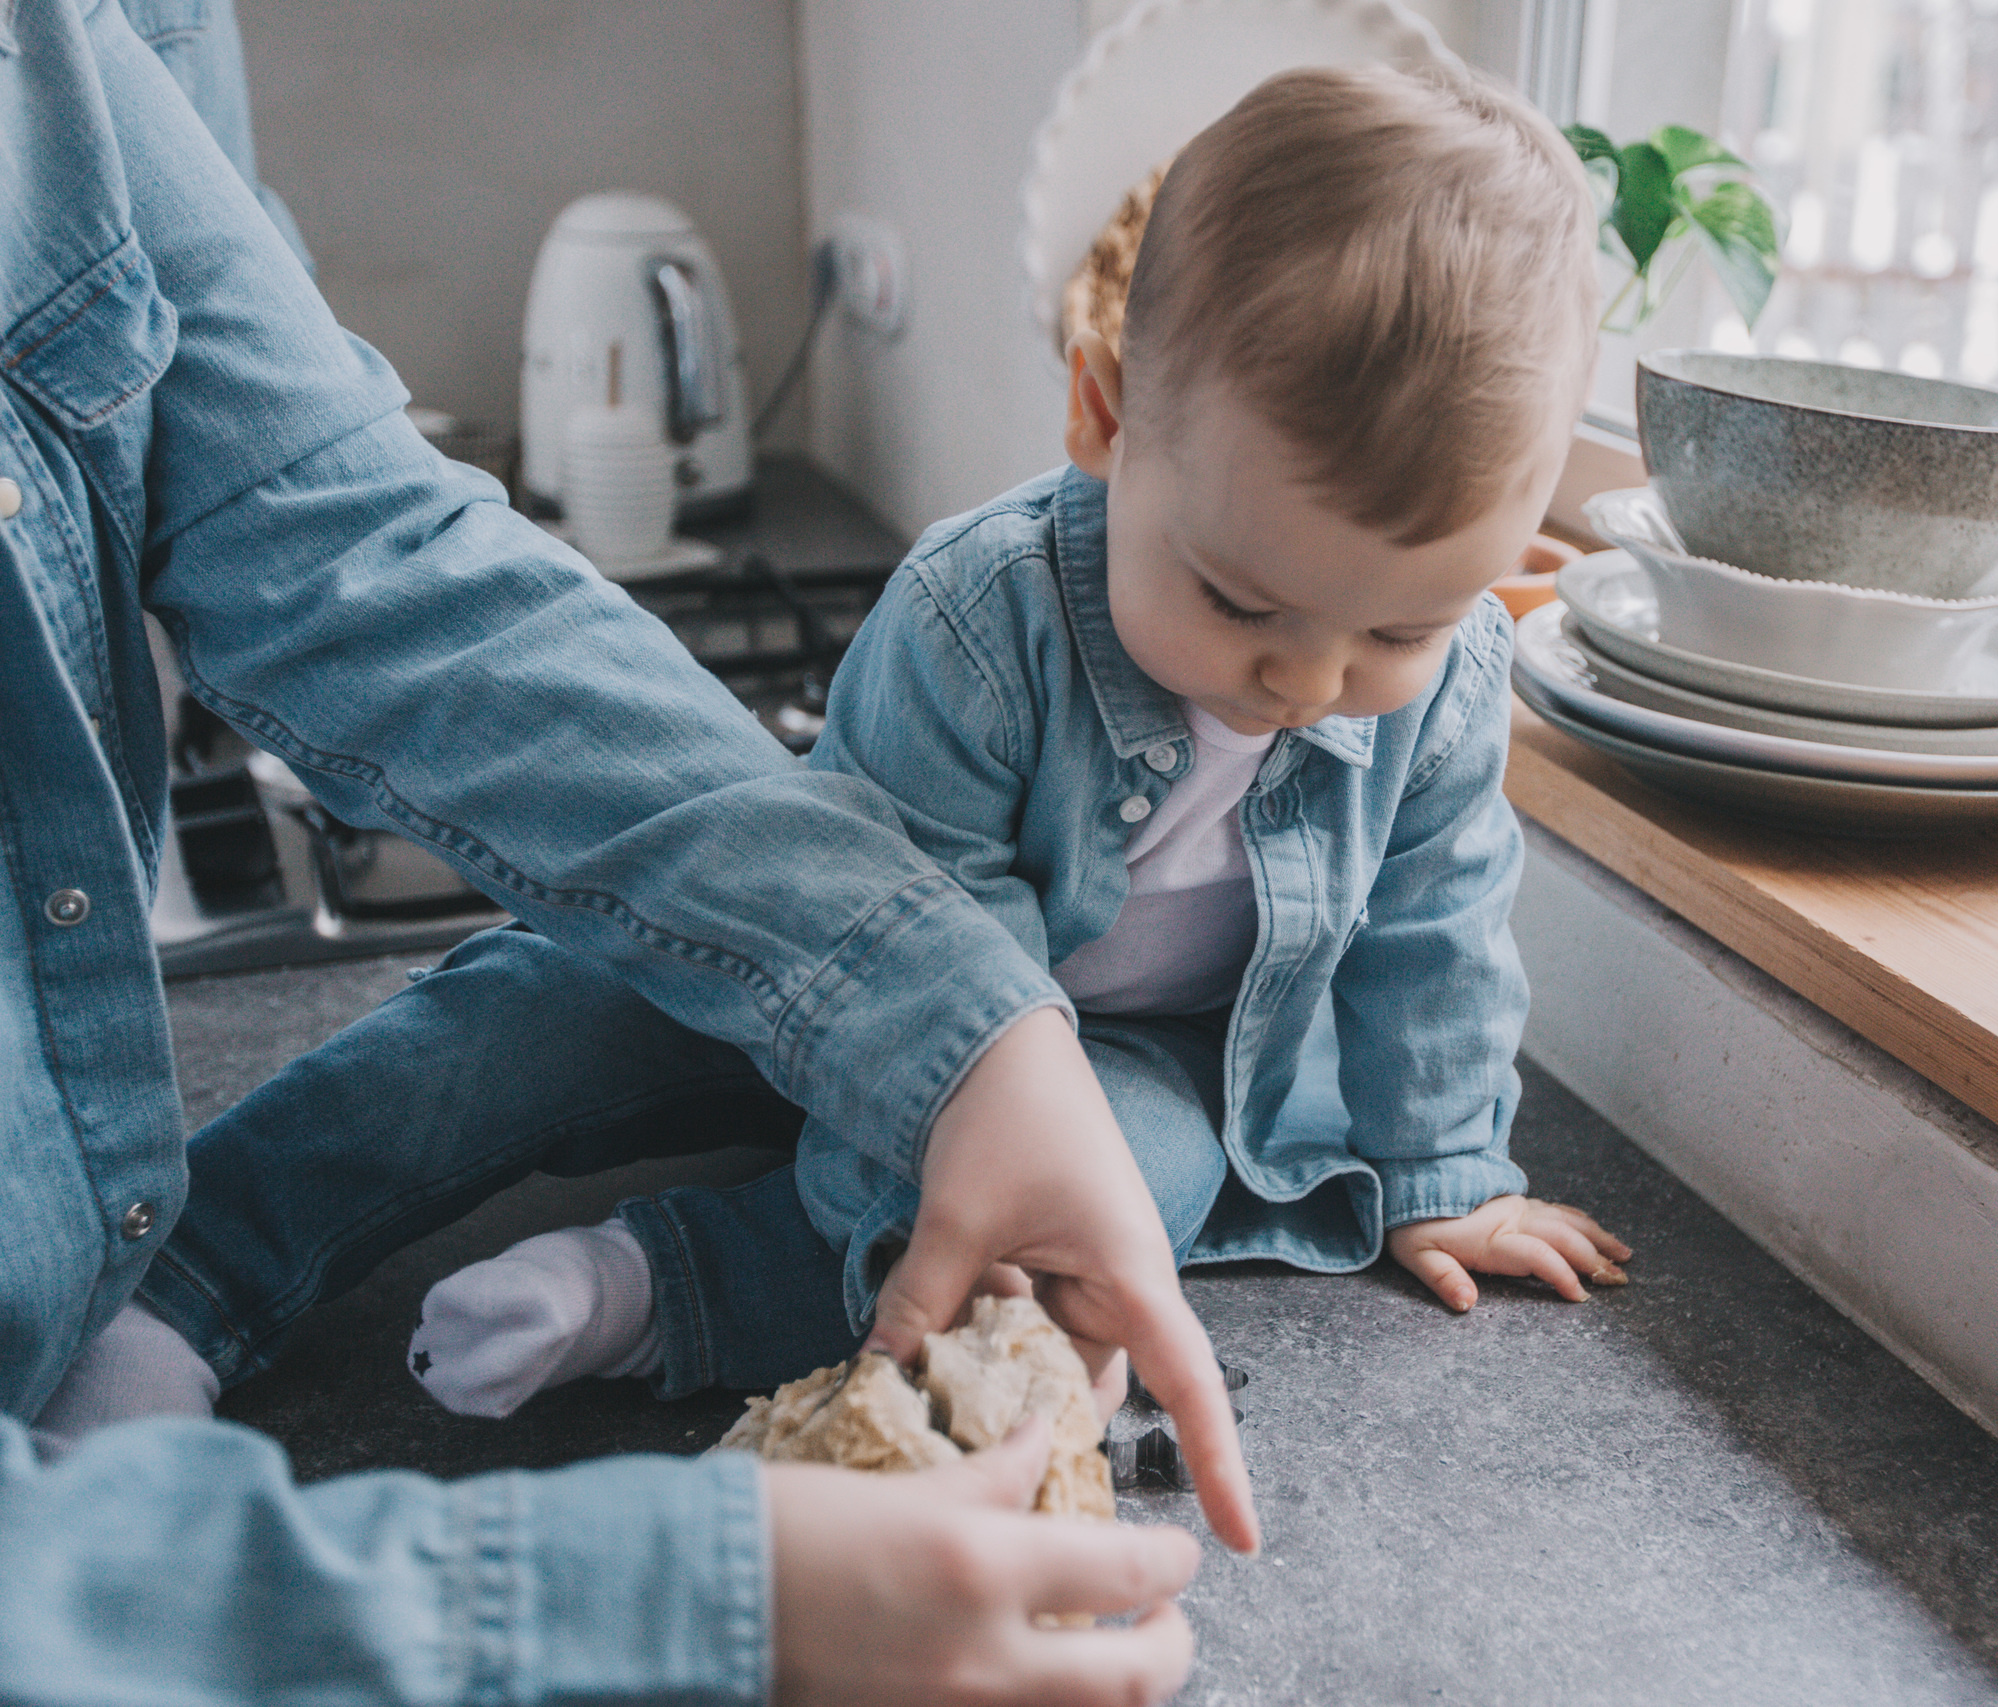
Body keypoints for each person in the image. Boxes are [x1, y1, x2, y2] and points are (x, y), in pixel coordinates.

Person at [0, 1, 1249, 1701]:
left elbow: (357, 543)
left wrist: (974, 1039)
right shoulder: (994, 602)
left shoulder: (55, 50)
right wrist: (690, 1605)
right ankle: (218, 1270)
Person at [259, 61, 1636, 1421]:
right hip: (824, 966)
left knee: (1103, 1214)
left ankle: (655, 1290)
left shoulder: (1454, 681)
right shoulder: (982, 614)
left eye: (1395, 632)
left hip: (1140, 1050)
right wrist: (893, 1181)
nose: (1306, 678)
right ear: (1103, 418)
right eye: (1240, 600)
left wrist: (1446, 1174)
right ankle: (197, 1267)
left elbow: (1434, 932)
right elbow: (912, 939)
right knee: (529, 1012)